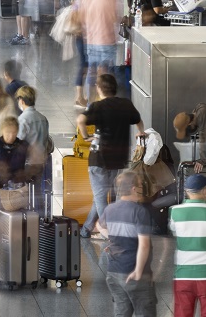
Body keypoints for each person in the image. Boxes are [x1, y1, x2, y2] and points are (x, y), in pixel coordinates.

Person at [77, 74, 145, 238]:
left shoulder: (98, 106)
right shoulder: (125, 104)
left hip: (99, 158)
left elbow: (80, 120)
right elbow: (138, 121)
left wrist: (86, 137)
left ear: (99, 88)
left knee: (100, 197)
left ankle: (110, 231)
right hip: (118, 158)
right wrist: (141, 133)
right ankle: (86, 229)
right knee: (103, 196)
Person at [98, 171, 157, 317]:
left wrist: (112, 238)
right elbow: (144, 245)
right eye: (140, 185)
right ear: (133, 188)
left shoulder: (109, 209)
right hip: (133, 271)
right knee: (145, 312)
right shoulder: (139, 211)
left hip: (113, 272)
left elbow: (99, 225)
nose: (142, 189)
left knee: (121, 312)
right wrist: (138, 270)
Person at [0, 117, 31, 281]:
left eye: (14, 133)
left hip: (15, 194)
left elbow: (32, 165)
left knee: (16, 231)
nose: (11, 136)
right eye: (8, 132)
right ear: (2, 131)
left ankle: (16, 266)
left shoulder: (22, 145)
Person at [75, 0, 121, 94]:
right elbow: (115, 19)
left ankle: (91, 101)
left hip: (91, 42)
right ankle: (106, 98)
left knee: (91, 72)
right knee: (107, 74)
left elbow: (81, 20)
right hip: (107, 42)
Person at [169, 173, 206, 317]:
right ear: (205, 190)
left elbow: (175, 233)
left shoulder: (175, 211)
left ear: (186, 191)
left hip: (183, 275)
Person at [173, 103, 206, 172]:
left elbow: (203, 140)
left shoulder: (202, 114)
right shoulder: (198, 111)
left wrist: (202, 161)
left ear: (189, 123)